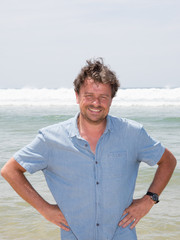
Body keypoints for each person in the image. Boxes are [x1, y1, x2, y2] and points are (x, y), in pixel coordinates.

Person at [1, 58, 176, 240]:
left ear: (111, 99)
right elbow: (10, 170)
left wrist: (149, 199)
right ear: (77, 96)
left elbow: (168, 161)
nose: (96, 103)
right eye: (89, 96)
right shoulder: (50, 139)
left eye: (103, 97)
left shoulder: (132, 133)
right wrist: (45, 209)